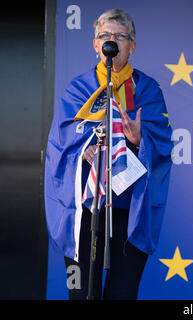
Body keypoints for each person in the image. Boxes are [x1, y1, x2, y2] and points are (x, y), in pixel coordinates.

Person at [44, 9, 173, 300]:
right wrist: (83, 151)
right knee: (80, 293)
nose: (110, 42)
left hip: (130, 210)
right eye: (104, 36)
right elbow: (61, 143)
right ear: (95, 44)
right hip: (85, 211)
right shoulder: (77, 89)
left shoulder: (148, 90)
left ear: (132, 46)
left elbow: (163, 144)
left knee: (123, 294)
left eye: (119, 36)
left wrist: (140, 140)